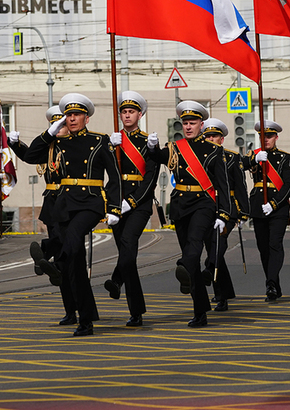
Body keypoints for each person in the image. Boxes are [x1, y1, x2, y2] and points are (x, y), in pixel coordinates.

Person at [23, 93, 122, 337]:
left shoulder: (100, 141)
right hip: (65, 204)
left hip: (90, 202)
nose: (72, 118)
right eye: (68, 115)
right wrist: (48, 133)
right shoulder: (57, 143)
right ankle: (85, 320)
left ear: (86, 118)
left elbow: (115, 176)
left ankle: (55, 261)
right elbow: (29, 156)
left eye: (77, 114)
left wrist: (115, 208)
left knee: (75, 237)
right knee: (76, 264)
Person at [148, 101, 231, 327]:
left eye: (192, 122)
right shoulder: (175, 148)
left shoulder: (215, 151)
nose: (188, 126)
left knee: (194, 247)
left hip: (204, 204)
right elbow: (158, 158)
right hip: (181, 205)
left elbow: (223, 186)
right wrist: (153, 147)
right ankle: (199, 310)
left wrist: (223, 214)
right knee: (191, 257)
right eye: (185, 123)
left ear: (201, 125)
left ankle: (183, 264)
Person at [9, 105, 77, 325]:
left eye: (62, 124)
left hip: (70, 201)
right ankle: (69, 309)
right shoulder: (48, 148)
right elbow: (30, 155)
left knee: (69, 254)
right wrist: (15, 145)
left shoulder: (75, 145)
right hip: (52, 202)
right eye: (54, 124)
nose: (58, 128)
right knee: (63, 260)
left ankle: (45, 253)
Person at [105, 91, 160, 327]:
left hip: (139, 203)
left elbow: (151, 177)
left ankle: (117, 281)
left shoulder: (148, 143)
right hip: (117, 202)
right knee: (128, 256)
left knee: (128, 243)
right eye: (124, 112)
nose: (127, 115)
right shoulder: (113, 141)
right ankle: (135, 311)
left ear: (140, 114)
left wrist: (134, 202)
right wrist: (108, 148)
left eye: (131, 112)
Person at [242, 120, 290, 302]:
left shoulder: (285, 157)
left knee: (275, 244)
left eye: (269, 136)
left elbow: (288, 185)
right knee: (263, 248)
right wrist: (253, 159)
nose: (266, 140)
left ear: (276, 137)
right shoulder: (255, 155)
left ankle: (270, 283)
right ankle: (275, 285)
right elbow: (239, 166)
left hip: (277, 207)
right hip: (258, 206)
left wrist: (274, 203)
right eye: (262, 136)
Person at [201, 117, 249, 312]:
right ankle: (224, 293)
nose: (211, 139)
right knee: (214, 249)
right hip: (206, 208)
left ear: (221, 139)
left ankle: (210, 273)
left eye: (214, 136)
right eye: (208, 136)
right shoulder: (200, 157)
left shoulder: (231, 157)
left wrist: (243, 213)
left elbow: (240, 187)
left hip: (228, 209)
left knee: (218, 247)